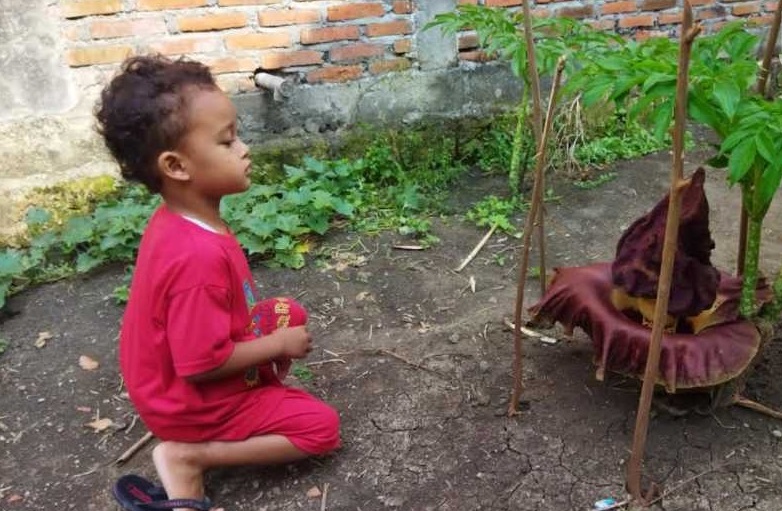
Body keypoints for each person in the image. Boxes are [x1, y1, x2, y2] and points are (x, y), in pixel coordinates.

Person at [96, 55, 340, 511]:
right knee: (320, 428)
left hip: (172, 378)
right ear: (177, 166)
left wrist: (277, 337)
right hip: (190, 400)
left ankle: (250, 400)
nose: (244, 148)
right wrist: (276, 346)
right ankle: (189, 456)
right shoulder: (197, 259)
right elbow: (200, 364)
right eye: (227, 142)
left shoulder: (179, 219)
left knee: (288, 312)